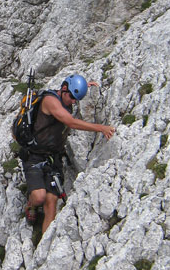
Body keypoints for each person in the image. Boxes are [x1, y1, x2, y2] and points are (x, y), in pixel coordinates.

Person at [21, 74, 114, 234]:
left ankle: (44, 247)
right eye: (71, 97)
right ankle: (30, 205)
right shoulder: (50, 101)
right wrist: (101, 128)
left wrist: (86, 85)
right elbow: (70, 122)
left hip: (53, 156)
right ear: (64, 89)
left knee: (51, 202)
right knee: (39, 197)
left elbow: (74, 89)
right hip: (34, 155)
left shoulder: (67, 94)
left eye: (76, 99)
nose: (73, 101)